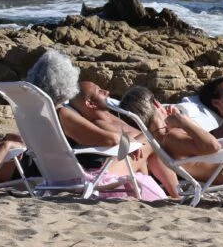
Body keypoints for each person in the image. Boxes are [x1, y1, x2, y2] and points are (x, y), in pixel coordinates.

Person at [25, 49, 171, 199]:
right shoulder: (63, 114)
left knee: (140, 149)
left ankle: (154, 191)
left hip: (55, 176)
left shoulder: (38, 114)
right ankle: (172, 193)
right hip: (87, 177)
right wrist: (130, 141)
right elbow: (110, 140)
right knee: (147, 141)